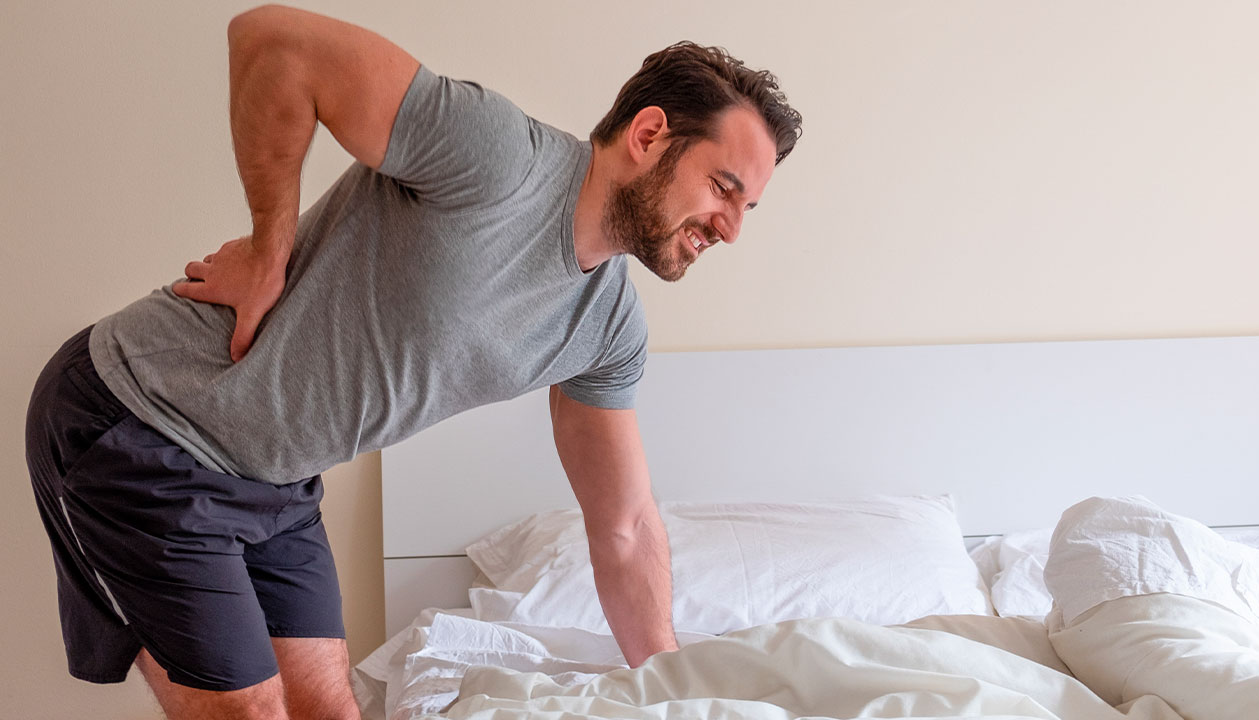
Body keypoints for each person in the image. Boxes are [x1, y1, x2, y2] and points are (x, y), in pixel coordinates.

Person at [25, 5, 801, 719]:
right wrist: (267, 247)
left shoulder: (606, 328)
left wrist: (671, 691)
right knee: (251, 710)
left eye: (748, 208)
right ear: (649, 135)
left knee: (334, 710)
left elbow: (624, 528)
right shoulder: (498, 156)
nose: (730, 229)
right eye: (722, 187)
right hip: (147, 422)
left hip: (273, 481)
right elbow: (272, 42)